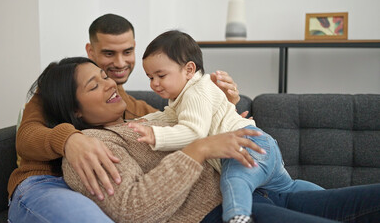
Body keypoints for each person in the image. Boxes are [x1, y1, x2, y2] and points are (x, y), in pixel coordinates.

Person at [33, 57, 378, 223]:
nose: (111, 83)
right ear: (74, 110)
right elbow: (132, 209)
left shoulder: (144, 118)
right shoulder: (91, 147)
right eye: (95, 85)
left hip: (259, 188)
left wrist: (222, 107)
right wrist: (199, 149)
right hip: (218, 213)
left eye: (105, 76)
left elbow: (192, 119)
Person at [9, 14, 243, 222]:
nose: (120, 63)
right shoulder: (57, 89)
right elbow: (27, 136)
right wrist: (70, 140)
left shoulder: (126, 102)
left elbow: (175, 125)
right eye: (109, 53)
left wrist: (219, 107)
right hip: (46, 182)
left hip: (99, 190)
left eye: (127, 52)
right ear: (91, 51)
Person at [127, 30, 324, 223]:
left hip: (245, 145)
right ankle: (330, 197)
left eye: (161, 75)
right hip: (260, 142)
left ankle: (237, 217)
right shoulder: (184, 96)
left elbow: (194, 132)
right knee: (288, 188)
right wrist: (142, 121)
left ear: (188, 70)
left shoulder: (195, 93)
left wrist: (156, 136)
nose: (154, 84)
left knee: (234, 181)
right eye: (150, 77)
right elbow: (167, 116)